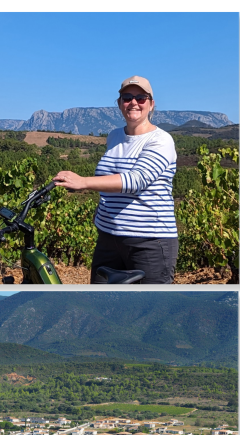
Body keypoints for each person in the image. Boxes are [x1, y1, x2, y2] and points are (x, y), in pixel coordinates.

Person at [53, 76, 178, 284]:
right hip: (108, 238)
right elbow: (109, 179)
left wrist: (83, 182)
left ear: (151, 104)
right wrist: (102, 213)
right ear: (120, 104)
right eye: (127, 97)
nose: (134, 102)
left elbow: (136, 181)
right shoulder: (114, 136)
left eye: (141, 97)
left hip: (149, 242)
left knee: (147, 309)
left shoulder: (161, 140)